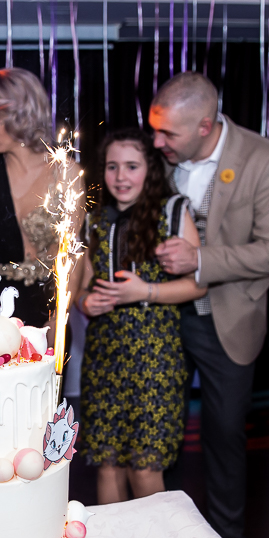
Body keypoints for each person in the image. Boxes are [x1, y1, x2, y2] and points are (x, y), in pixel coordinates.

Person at [149, 72, 269, 538]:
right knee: (162, 430)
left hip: (227, 319)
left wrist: (200, 259)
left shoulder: (262, 159)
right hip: (164, 317)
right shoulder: (161, 157)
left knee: (225, 434)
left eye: (168, 133)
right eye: (154, 129)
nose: (157, 142)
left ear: (205, 127)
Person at [76, 129, 206, 504]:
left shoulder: (173, 211)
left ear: (150, 168)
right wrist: (86, 304)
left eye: (132, 166)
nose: (121, 176)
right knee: (108, 464)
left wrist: (144, 292)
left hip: (156, 356)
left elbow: (198, 285)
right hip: (104, 354)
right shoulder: (94, 218)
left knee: (145, 467)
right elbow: (79, 288)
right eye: (112, 166)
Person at [0, 68, 83, 329]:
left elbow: (71, 255)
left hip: (48, 309)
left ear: (22, 114)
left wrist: (57, 320)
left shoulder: (65, 172)